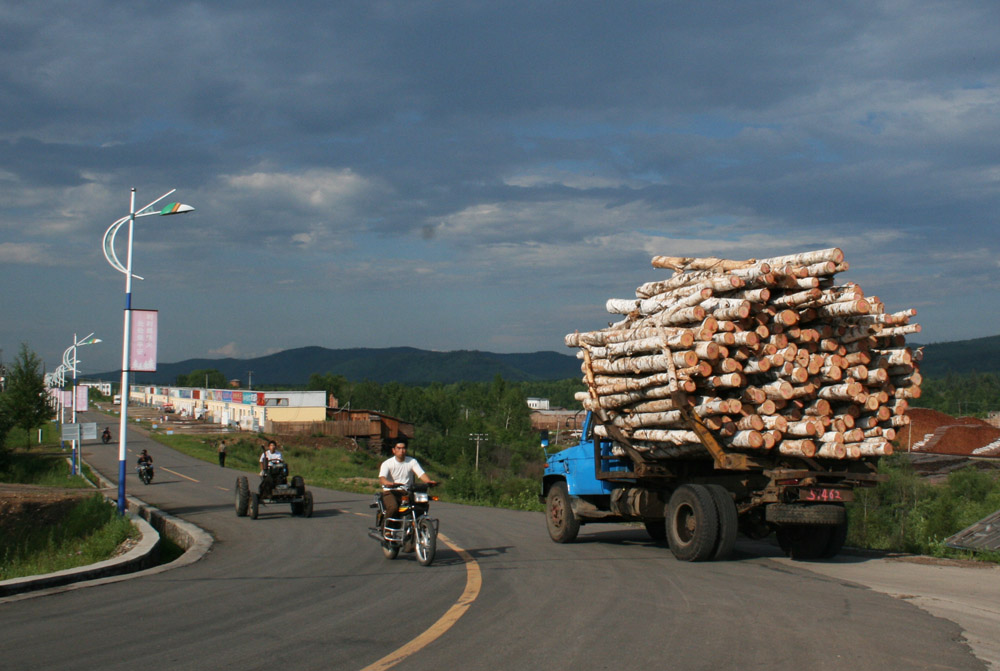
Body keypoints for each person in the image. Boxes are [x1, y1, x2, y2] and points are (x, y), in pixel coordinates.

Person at [378, 438, 437, 520]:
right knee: (393, 507)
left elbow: (421, 474)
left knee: (420, 505)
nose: (401, 451)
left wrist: (429, 481)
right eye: (399, 448)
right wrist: (388, 483)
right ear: (393, 450)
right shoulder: (387, 463)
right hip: (391, 492)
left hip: (407, 492)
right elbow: (382, 478)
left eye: (403, 448)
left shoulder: (412, 461)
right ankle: (387, 527)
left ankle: (417, 523)